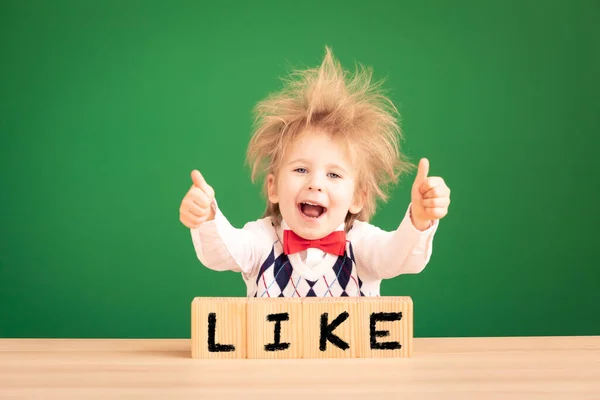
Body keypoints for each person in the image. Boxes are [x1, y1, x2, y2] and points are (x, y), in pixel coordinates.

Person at [179, 47, 451, 298]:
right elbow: (224, 251)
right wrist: (207, 217)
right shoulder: (261, 240)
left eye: (334, 175)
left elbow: (399, 257)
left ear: (358, 197)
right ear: (273, 187)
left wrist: (419, 218)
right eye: (300, 169)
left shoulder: (362, 244)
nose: (315, 184)